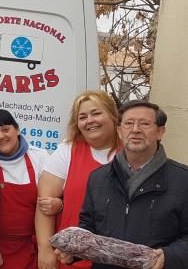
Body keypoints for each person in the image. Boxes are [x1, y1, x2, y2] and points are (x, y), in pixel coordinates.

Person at [55, 100, 188, 269]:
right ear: (119, 131)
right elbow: (88, 228)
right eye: (128, 123)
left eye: (145, 124)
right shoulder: (98, 178)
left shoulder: (183, 180)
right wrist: (73, 251)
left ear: (160, 132)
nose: (135, 130)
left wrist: (169, 256)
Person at [35, 90, 122, 269]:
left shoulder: (130, 151)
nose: (89, 120)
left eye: (96, 113)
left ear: (113, 116)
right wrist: (44, 249)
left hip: (117, 260)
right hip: (70, 259)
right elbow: (44, 205)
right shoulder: (68, 150)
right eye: (82, 117)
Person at [0, 109, 54, 269]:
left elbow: (54, 196)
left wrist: (57, 203)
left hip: (31, 248)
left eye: (6, 129)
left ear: (17, 129)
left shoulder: (39, 156)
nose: (0, 136)